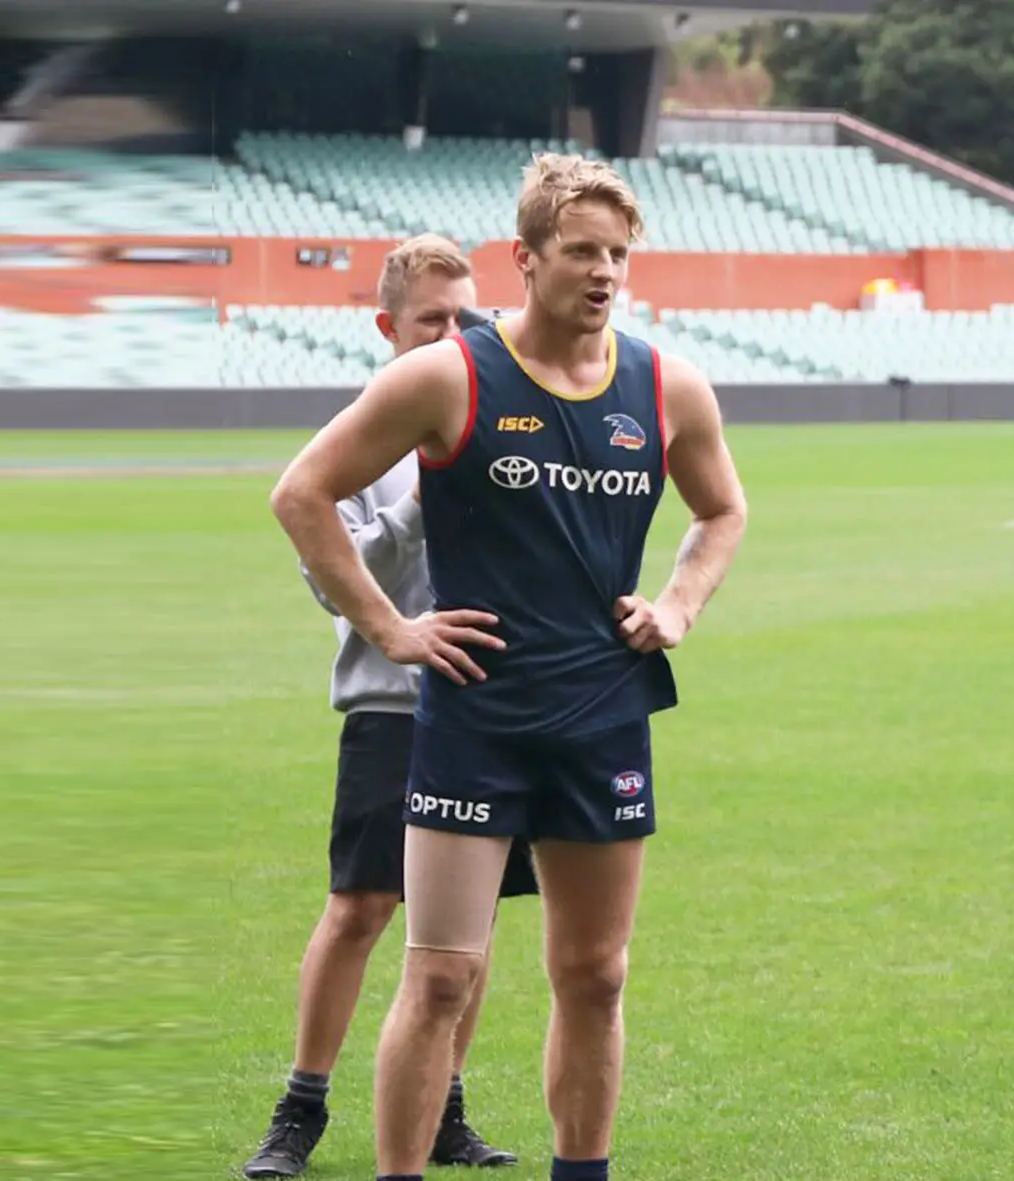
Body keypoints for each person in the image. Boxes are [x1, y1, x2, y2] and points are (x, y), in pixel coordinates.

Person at [266, 154, 747, 1181]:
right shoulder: (447, 375)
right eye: (582, 251)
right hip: (471, 720)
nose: (605, 270)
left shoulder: (666, 384)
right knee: (439, 975)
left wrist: (675, 604)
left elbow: (722, 510)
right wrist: (392, 627)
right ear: (524, 260)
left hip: (602, 713)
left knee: (595, 975)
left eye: (618, 252)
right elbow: (301, 493)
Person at [242, 234, 534, 1178]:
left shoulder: (497, 427)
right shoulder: (365, 436)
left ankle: (446, 1107)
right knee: (361, 907)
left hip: (487, 707)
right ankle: (300, 1109)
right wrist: (422, 501)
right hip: (390, 708)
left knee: (471, 924)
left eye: (467, 318)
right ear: (388, 327)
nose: (454, 336)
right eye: (432, 321)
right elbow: (339, 581)